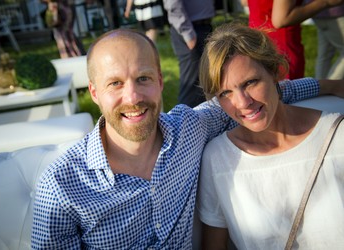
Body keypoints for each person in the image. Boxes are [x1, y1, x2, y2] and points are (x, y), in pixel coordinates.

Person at [31, 29, 341, 249]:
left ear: (161, 81)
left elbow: (257, 95)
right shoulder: (60, 187)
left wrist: (332, 85)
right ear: (94, 93)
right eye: (115, 83)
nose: (133, 97)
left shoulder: (190, 128)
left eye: (143, 79)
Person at [197, 22, 344, 249]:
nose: (243, 103)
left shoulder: (338, 136)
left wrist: (328, 86)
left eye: (251, 82)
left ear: (275, 71)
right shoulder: (217, 159)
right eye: (225, 93)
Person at [246, 0, 344, 79]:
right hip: (281, 45)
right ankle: (328, 89)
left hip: (258, 37)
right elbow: (281, 20)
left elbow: (244, 2)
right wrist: (325, 2)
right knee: (287, 93)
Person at [162, 0, 215, 107]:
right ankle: (183, 121)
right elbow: (173, 4)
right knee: (191, 84)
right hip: (191, 30)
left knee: (205, 82)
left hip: (202, 27)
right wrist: (187, 32)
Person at [306, 1, 344, 79]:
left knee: (325, 53)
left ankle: (319, 88)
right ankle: (329, 87)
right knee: (325, 53)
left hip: (317, 12)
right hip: (336, 12)